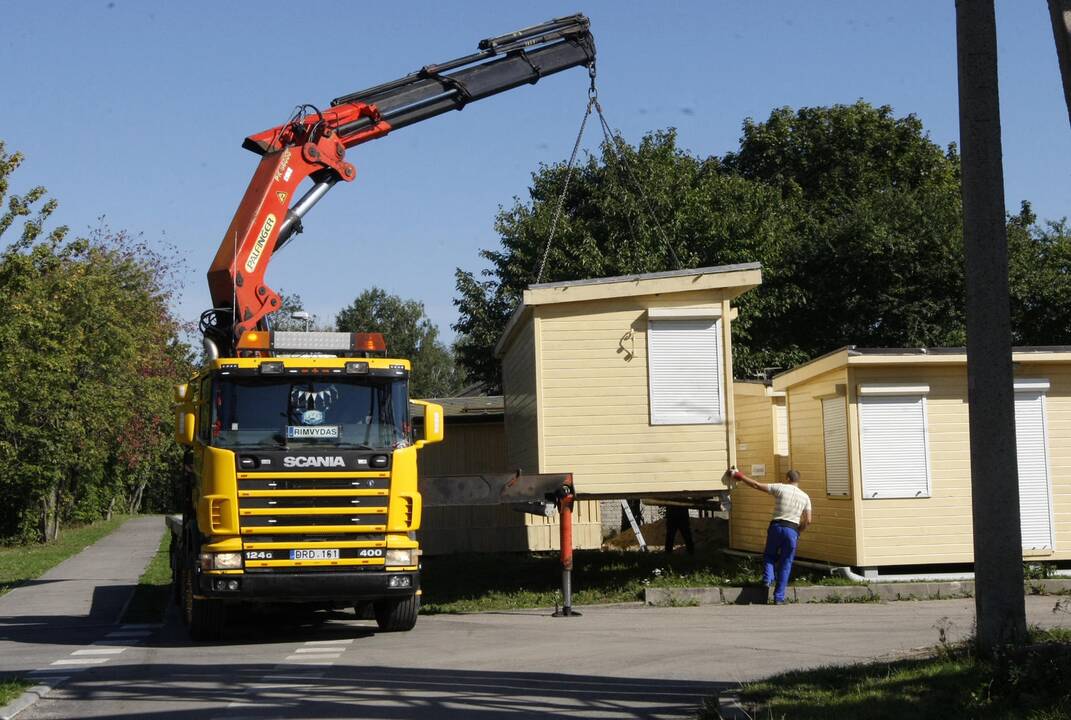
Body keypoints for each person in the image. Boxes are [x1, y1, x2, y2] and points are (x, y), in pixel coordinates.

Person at [731, 468, 811, 604]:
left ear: (787, 478)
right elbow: (808, 520)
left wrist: (739, 475)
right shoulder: (805, 497)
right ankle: (779, 598)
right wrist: (799, 531)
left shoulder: (780, 488)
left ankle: (767, 579)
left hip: (776, 526)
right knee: (786, 563)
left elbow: (756, 485)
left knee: (769, 555)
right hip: (791, 530)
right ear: (798, 481)